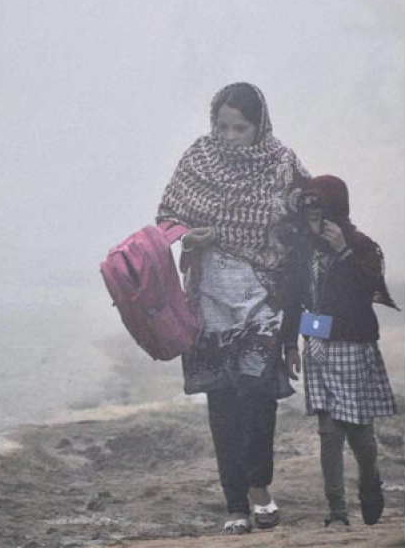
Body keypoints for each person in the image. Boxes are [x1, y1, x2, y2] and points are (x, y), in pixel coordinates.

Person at [156, 82, 309, 535]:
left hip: (263, 302)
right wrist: (189, 236)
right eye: (221, 126)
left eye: (238, 127)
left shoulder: (282, 164)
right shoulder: (198, 159)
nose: (228, 135)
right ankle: (235, 504)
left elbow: (307, 225)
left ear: (258, 125)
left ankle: (260, 487)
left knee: (259, 399)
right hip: (208, 304)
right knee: (221, 403)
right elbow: (168, 215)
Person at [280, 174, 399, 528]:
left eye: (321, 215)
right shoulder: (300, 251)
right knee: (328, 432)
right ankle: (337, 512)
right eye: (310, 216)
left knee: (360, 433)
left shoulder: (361, 247)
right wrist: (289, 345)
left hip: (353, 345)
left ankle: (369, 481)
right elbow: (293, 303)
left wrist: (342, 253)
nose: (315, 224)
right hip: (317, 345)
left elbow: (366, 295)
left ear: (337, 212)